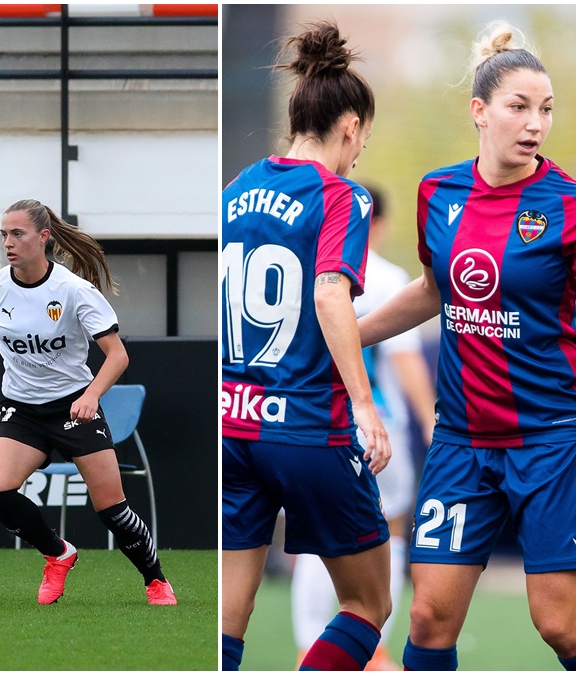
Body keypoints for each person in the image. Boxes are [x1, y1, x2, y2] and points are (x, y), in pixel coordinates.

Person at [358, 21, 576, 670]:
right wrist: (344, 335)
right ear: (480, 111)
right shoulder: (438, 193)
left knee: (560, 624)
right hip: (462, 442)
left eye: (545, 109)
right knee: (427, 617)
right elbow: (434, 289)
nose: (535, 124)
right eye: (519, 107)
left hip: (553, 442)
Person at [221, 20, 393, 671]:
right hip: (305, 427)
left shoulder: (235, 191)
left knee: (229, 621)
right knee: (366, 604)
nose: (359, 156)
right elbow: (328, 295)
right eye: (362, 142)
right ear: (349, 127)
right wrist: (364, 404)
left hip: (233, 422)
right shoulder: (340, 194)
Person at [0, 199, 175, 606]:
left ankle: (155, 580)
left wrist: (91, 395)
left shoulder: (74, 290)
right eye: (4, 235)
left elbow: (118, 355)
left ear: (44, 238)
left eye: (17, 234)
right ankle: (58, 554)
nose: (8, 242)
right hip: (21, 410)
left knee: (112, 509)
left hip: (73, 409)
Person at [290, 184, 436, 670]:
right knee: (391, 531)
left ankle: (308, 648)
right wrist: (432, 424)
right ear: (378, 223)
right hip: (377, 427)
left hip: (308, 424)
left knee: (315, 535)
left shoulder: (305, 268)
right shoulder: (390, 278)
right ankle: (373, 652)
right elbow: (407, 360)